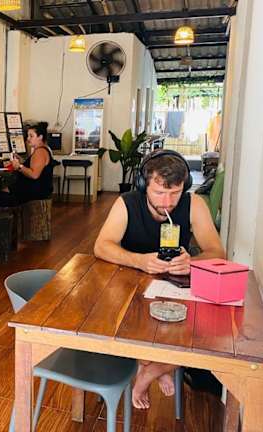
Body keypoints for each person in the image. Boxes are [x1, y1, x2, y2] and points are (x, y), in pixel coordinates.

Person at [93, 149, 225, 410]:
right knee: (126, 324)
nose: (167, 202)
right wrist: (139, 261)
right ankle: (158, 365)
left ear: (185, 186)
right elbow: (101, 246)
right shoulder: (127, 203)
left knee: (205, 335)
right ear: (144, 185)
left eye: (175, 193)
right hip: (130, 286)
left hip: (176, 288)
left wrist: (192, 262)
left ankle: (150, 369)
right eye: (159, 192)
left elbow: (217, 252)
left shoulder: (193, 204)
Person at [0, 121, 55, 207]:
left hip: (33, 193)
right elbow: (33, 166)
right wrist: (21, 161)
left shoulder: (40, 152)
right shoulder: (40, 150)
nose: (28, 139)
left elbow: (34, 175)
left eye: (31, 136)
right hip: (32, 190)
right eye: (28, 136)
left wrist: (19, 166)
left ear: (40, 137)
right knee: (2, 190)